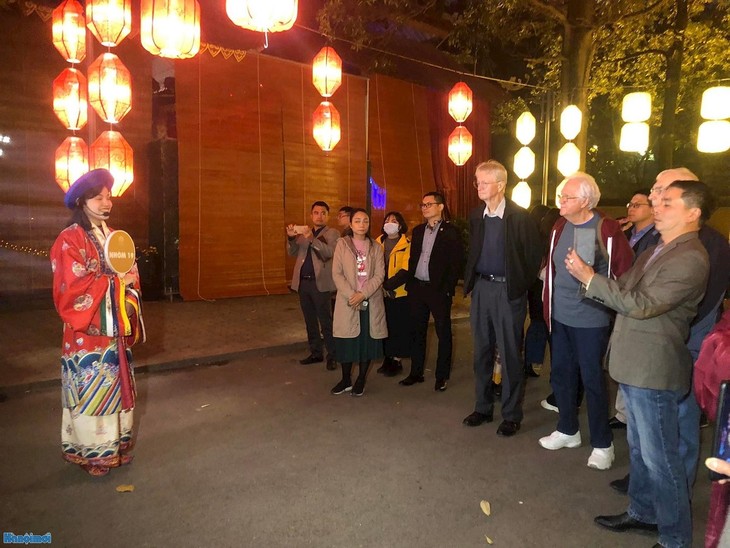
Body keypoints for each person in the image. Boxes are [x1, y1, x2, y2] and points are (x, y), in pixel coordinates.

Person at [566, 180, 712, 548]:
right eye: (657, 200)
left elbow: (642, 303)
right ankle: (643, 512)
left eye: (667, 201)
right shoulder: (659, 249)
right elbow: (626, 290)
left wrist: (589, 278)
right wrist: (598, 280)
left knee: (662, 459)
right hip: (634, 364)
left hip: (654, 368)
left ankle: (675, 538)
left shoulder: (691, 256)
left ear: (693, 213)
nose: (657, 205)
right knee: (642, 451)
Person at [610, 169, 730, 493]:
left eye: (663, 193)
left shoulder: (708, 244)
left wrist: (669, 331)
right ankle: (645, 489)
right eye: (655, 192)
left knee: (680, 425)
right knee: (647, 430)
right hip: (652, 338)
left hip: (683, 342)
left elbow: (701, 300)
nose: (654, 198)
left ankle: (678, 492)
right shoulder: (660, 237)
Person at [50, 169, 145, 477]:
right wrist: (114, 284)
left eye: (108, 197)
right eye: (98, 197)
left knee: (116, 386)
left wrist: (127, 287)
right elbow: (72, 285)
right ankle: (92, 453)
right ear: (81, 201)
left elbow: (130, 273)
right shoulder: (70, 239)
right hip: (87, 334)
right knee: (92, 387)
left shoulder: (115, 237)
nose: (106, 203)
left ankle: (115, 446)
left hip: (113, 329)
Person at [538, 172, 634, 469]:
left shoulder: (606, 229)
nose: (560, 202)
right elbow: (551, 260)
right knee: (562, 374)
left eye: (566, 197)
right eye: (561, 196)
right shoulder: (559, 225)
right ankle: (568, 429)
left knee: (592, 380)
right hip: (560, 314)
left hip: (591, 319)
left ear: (585, 201)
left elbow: (626, 272)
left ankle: (603, 444)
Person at [462, 160, 542, 437]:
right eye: (477, 181)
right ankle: (483, 408)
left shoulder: (519, 217)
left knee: (510, 354)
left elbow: (533, 257)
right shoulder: (476, 216)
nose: (478, 186)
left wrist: (518, 285)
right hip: (482, 290)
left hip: (508, 292)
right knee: (481, 352)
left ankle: (511, 414)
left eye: (483, 182)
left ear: (500, 185)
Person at [399, 191, 463, 392]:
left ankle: (441, 376)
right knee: (417, 331)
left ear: (440, 207)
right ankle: (415, 373)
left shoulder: (451, 231)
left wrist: (447, 288)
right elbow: (413, 260)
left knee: (443, 332)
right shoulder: (418, 231)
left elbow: (456, 263)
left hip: (438, 290)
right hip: (418, 287)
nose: (425, 207)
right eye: (423, 204)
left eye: (429, 204)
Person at [609, 189, 661, 430]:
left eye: (638, 205)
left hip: (639, 302)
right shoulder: (628, 233)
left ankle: (628, 415)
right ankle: (623, 412)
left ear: (652, 208)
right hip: (620, 298)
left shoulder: (656, 238)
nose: (631, 208)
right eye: (631, 203)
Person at [330, 208, 387, 396]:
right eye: (357, 221)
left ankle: (361, 379)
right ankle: (345, 379)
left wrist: (362, 294)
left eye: (365, 221)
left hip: (369, 301)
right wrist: (351, 294)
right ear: (351, 224)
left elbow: (379, 275)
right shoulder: (342, 244)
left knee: (366, 343)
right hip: (348, 301)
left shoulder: (376, 247)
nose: (362, 225)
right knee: (348, 341)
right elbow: (337, 273)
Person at [286, 201, 340, 370]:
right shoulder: (304, 232)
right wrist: (291, 237)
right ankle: (316, 352)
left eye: (323, 213)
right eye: (316, 213)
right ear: (311, 215)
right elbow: (292, 252)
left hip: (321, 284)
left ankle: (333, 355)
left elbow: (330, 252)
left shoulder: (333, 233)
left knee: (325, 321)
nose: (319, 216)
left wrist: (312, 239)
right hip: (304, 283)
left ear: (327, 216)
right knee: (309, 320)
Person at [375, 211, 411, 377]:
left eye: (394, 220)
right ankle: (387, 357)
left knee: (398, 327)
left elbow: (405, 270)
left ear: (400, 225)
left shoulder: (407, 243)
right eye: (388, 220)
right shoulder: (377, 242)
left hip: (398, 293)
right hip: (379, 292)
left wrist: (387, 286)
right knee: (384, 326)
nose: (390, 223)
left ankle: (396, 360)